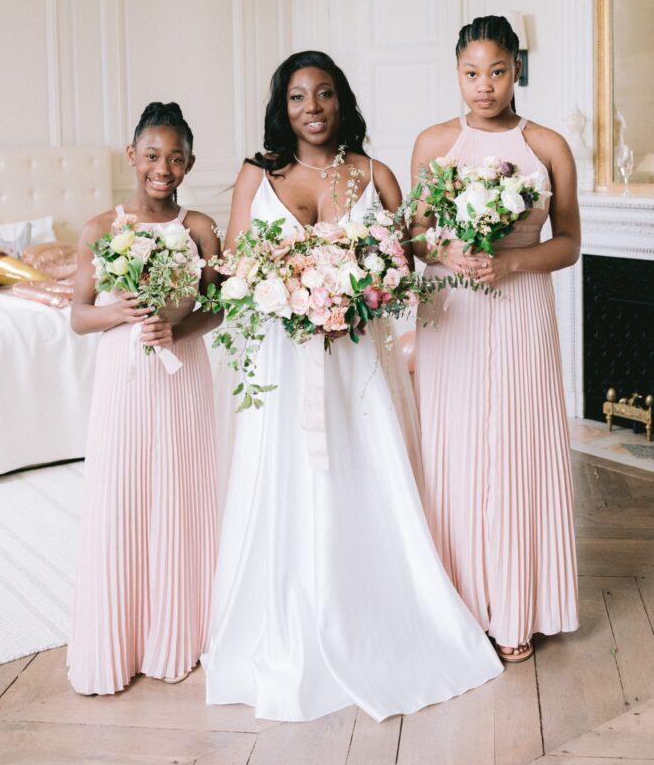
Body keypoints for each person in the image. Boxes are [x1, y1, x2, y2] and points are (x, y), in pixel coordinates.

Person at [202, 51, 503, 723]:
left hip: (357, 361)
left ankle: (378, 617)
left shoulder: (374, 174)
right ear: (281, 108)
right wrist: (288, 288)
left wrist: (380, 278)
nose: (311, 108)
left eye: (324, 94)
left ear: (342, 101)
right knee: (284, 478)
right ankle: (286, 623)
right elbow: (237, 267)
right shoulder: (258, 174)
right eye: (297, 97)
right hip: (282, 364)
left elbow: (410, 256)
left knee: (366, 471)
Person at [410, 15, 580, 664]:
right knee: (452, 448)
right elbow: (416, 234)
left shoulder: (548, 146)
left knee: (516, 445)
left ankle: (515, 607)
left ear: (517, 70)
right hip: (452, 308)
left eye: (497, 72)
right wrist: (446, 252)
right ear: (457, 73)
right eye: (471, 73)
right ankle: (454, 606)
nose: (484, 86)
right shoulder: (434, 142)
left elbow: (569, 243)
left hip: (521, 306)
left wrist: (511, 261)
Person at [68, 102, 220, 694]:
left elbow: (219, 307)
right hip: (123, 376)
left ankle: (178, 633)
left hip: (182, 372)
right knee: (123, 494)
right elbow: (79, 316)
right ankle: (119, 638)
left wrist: (176, 331)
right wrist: (121, 313)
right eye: (153, 156)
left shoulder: (200, 227)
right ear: (132, 156)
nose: (163, 168)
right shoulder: (100, 229)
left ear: (189, 164)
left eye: (176, 159)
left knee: (180, 490)